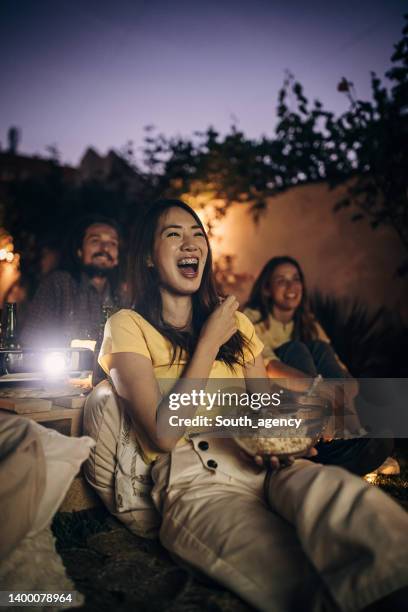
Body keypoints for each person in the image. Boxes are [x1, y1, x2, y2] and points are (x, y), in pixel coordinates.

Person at [83, 199, 408, 612]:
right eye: (174, 234)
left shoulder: (236, 323)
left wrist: (288, 436)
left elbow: (259, 406)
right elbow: (163, 433)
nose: (191, 243)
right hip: (196, 480)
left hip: (265, 463)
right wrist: (207, 344)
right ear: (147, 257)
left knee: (351, 505)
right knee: (293, 577)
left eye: (197, 234)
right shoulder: (127, 326)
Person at [243, 256, 396, 476]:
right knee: (295, 349)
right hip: (278, 402)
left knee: (318, 347)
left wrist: (344, 391)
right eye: (281, 280)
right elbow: (269, 367)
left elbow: (336, 365)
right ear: (266, 289)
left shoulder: (307, 322)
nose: (291, 286)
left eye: (296, 279)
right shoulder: (251, 319)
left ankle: (347, 438)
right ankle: (321, 443)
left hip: (325, 406)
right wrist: (320, 389)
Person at [20, 215, 125, 348]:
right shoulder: (58, 285)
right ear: (80, 251)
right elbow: (31, 338)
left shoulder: (125, 295)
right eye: (95, 241)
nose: (104, 248)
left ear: (117, 258)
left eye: (112, 243)